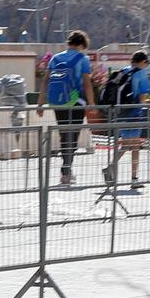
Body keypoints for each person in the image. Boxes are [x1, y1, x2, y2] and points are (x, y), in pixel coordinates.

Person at [42, 30, 96, 186]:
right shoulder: (82, 59)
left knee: (64, 134)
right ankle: (66, 171)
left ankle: (66, 170)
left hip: (57, 102)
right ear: (81, 44)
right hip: (75, 102)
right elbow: (87, 83)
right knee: (73, 136)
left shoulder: (56, 58)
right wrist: (91, 104)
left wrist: (40, 103)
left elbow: (46, 81)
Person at [104, 50, 150, 187]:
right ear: (143, 61)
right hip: (134, 113)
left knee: (129, 145)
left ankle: (117, 170)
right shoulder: (141, 73)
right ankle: (133, 179)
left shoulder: (124, 70)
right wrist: (148, 102)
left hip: (121, 112)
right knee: (134, 146)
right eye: (147, 62)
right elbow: (142, 98)